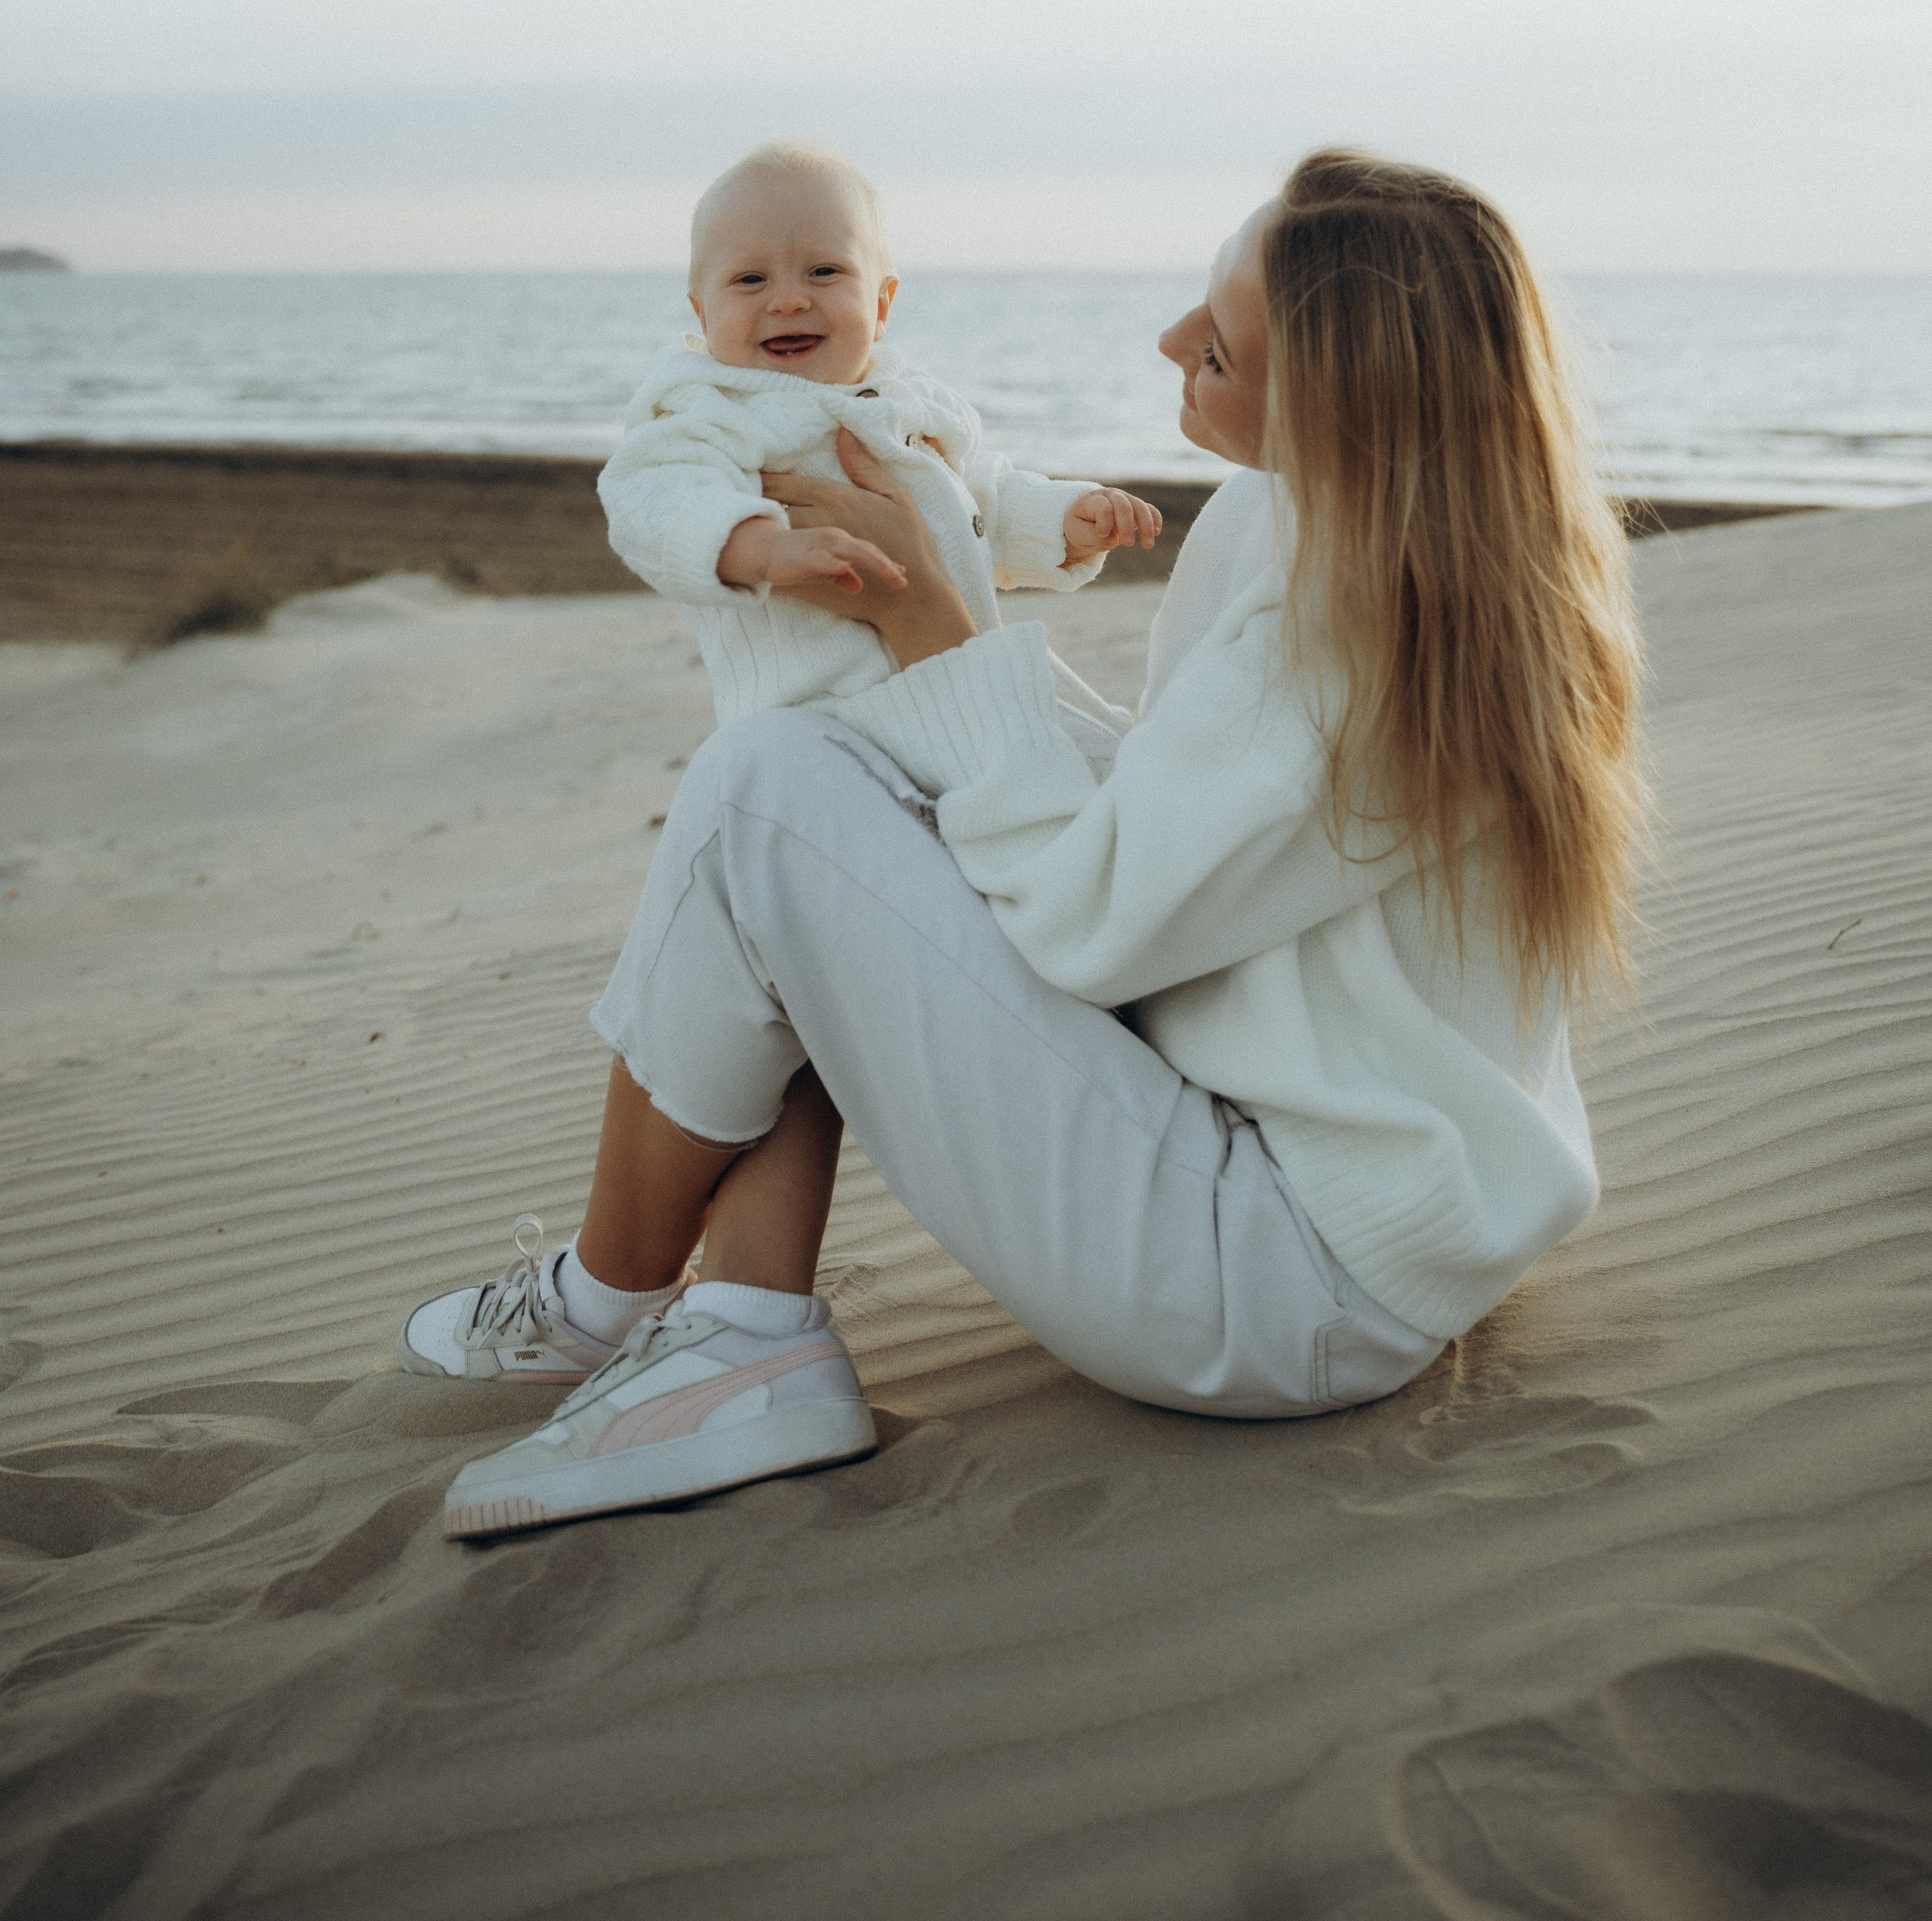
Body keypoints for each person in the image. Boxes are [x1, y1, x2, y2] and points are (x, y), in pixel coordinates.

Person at [402, 150, 1643, 1545]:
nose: (1171, 344)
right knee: (839, 788)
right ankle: (741, 1320)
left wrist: (935, 628)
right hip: (1361, 1201)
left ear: (1344, 399)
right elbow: (1203, 846)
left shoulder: (1365, 640)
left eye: (1219, 342)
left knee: (762, 786)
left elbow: (1096, 922)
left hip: (1278, 1280)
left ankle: (601, 1300)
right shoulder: (1350, 537)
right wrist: (916, 705)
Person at [595, 139, 1161, 766]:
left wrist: (1063, 518)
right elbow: (652, 501)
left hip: (952, 680)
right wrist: (761, 545)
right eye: (750, 279)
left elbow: (975, 499)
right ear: (703, 314)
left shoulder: (906, 404)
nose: (787, 299)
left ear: (882, 304)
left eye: (824, 271)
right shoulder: (710, 411)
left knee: (1096, 754)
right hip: (824, 723)